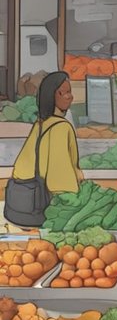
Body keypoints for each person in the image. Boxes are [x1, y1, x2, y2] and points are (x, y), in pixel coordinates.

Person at [8, 72, 83, 227]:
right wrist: (73, 201)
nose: (69, 97)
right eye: (64, 92)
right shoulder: (62, 127)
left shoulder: (40, 123)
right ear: (51, 96)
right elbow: (60, 175)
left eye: (70, 92)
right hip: (41, 213)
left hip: (17, 209)